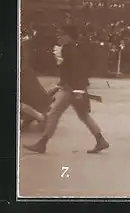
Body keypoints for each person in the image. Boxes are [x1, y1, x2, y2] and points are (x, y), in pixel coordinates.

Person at [23, 24, 109, 154]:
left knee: (54, 114)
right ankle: (100, 140)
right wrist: (64, 85)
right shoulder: (70, 48)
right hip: (73, 88)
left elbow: (77, 70)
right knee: (83, 116)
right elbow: (71, 71)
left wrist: (77, 90)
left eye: (61, 34)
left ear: (68, 36)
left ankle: (43, 143)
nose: (59, 37)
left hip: (72, 89)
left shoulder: (69, 50)